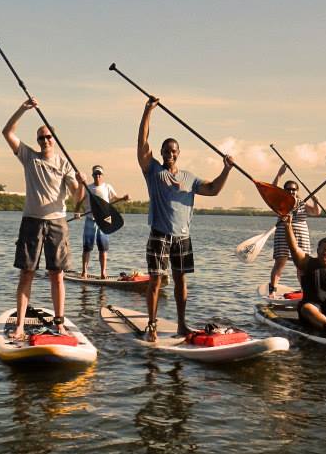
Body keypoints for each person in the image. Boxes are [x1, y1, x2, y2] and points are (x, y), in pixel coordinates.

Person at [138, 96, 235, 341]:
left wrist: (226, 169)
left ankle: (182, 325)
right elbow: (142, 142)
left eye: (173, 150)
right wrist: (147, 111)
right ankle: (152, 325)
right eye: (166, 150)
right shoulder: (153, 171)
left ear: (178, 153)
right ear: (161, 153)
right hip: (160, 234)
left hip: (183, 237)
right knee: (156, 280)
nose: (169, 153)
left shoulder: (189, 177)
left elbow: (213, 190)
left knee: (181, 282)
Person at [3, 98, 85, 339]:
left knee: (56, 275)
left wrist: (80, 183)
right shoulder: (29, 157)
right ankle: (19, 326)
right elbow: (6, 132)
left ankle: (59, 323)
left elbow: (77, 199)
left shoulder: (64, 163)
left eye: (49, 137)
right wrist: (22, 109)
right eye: (41, 138)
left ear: (55, 139)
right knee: (26, 273)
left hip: (57, 222)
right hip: (31, 221)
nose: (45, 140)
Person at [268, 163, 321, 297]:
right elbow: (272, 190)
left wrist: (316, 201)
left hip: (301, 236)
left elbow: (316, 212)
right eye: (288, 189)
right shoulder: (279, 202)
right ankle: (272, 290)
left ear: (297, 191)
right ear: (284, 190)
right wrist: (279, 174)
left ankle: (305, 291)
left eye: (294, 189)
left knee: (302, 265)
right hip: (283, 233)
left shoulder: (302, 202)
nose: (291, 191)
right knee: (280, 262)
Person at [78, 164, 129, 279]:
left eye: (99, 174)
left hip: (104, 221)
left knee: (103, 248)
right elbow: (80, 200)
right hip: (90, 220)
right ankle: (84, 272)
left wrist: (123, 198)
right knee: (87, 247)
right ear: (92, 175)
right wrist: (77, 212)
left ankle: (103, 273)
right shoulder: (88, 188)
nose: (97, 176)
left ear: (102, 175)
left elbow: (115, 198)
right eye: (95, 174)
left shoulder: (107, 187)